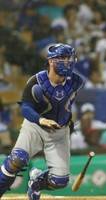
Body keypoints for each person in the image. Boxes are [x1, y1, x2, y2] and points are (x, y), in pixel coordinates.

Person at [0, 43, 85, 200]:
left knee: (59, 181)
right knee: (17, 159)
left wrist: (68, 121)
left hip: (59, 132)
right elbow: (25, 108)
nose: (68, 62)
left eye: (69, 58)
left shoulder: (77, 81)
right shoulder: (36, 81)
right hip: (35, 127)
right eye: (63, 58)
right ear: (51, 61)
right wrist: (41, 119)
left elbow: (64, 103)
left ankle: (36, 183)